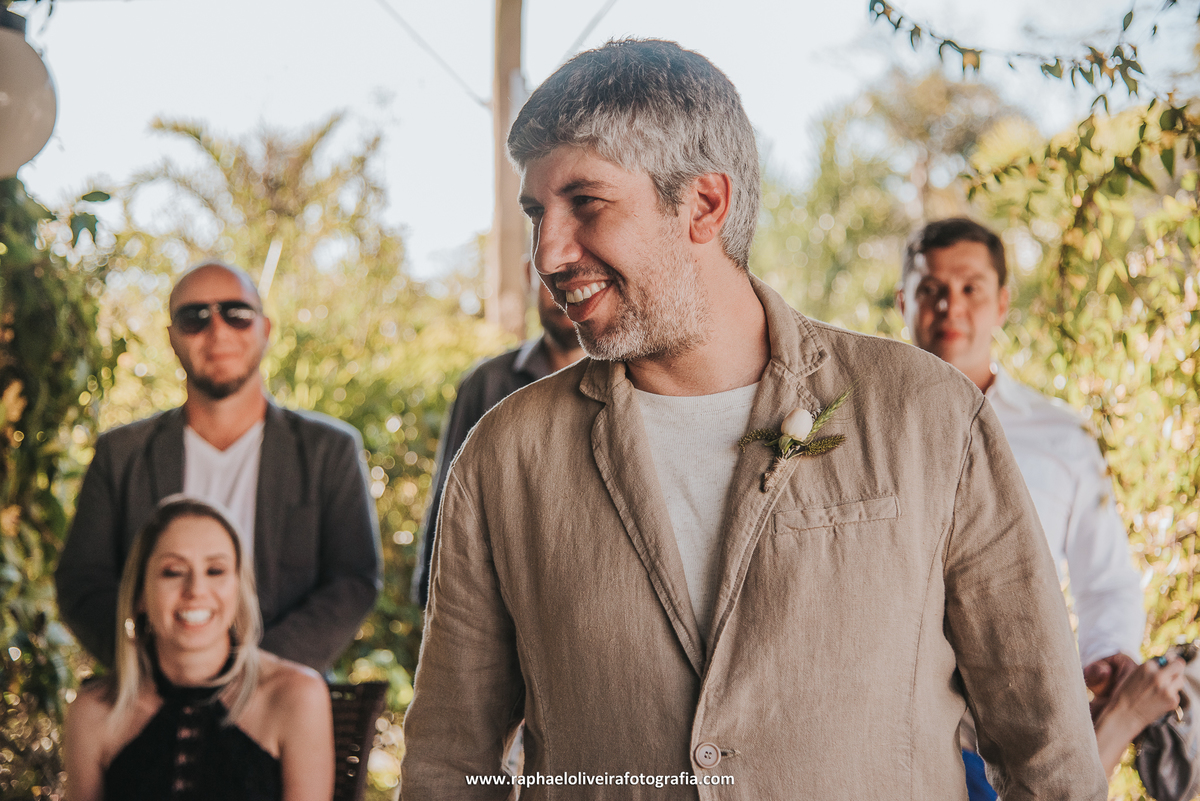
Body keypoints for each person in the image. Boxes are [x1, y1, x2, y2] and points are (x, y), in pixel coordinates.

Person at [401, 38, 1106, 799]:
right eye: (537, 211)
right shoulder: (503, 457)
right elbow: (450, 760)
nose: (548, 250)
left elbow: (1046, 749)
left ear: (705, 203)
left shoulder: (927, 413)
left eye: (586, 204)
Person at [895, 217, 1156, 789]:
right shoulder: (869, 430)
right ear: (903, 301)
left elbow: (1106, 581)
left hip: (1018, 731)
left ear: (1003, 302)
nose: (950, 307)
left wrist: (1106, 658)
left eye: (970, 288)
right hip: (893, 734)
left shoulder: (1063, 439)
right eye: (931, 289)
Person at [56, 262, 381, 673]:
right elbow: (82, 582)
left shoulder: (329, 450)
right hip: (152, 697)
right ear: (172, 338)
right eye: (194, 318)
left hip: (283, 697)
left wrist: (256, 673)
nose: (218, 332)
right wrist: (153, 670)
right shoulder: (121, 454)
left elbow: (354, 579)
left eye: (237, 314)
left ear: (264, 329)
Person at [64, 496, 334, 801]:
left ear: (239, 588)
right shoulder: (93, 712)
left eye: (215, 570)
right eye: (173, 571)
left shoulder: (297, 697)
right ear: (140, 594)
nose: (195, 590)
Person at [412, 276, 584, 608]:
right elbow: (449, 501)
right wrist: (431, 598)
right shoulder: (486, 383)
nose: (563, 289)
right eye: (551, 276)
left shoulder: (635, 382)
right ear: (528, 275)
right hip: (498, 612)